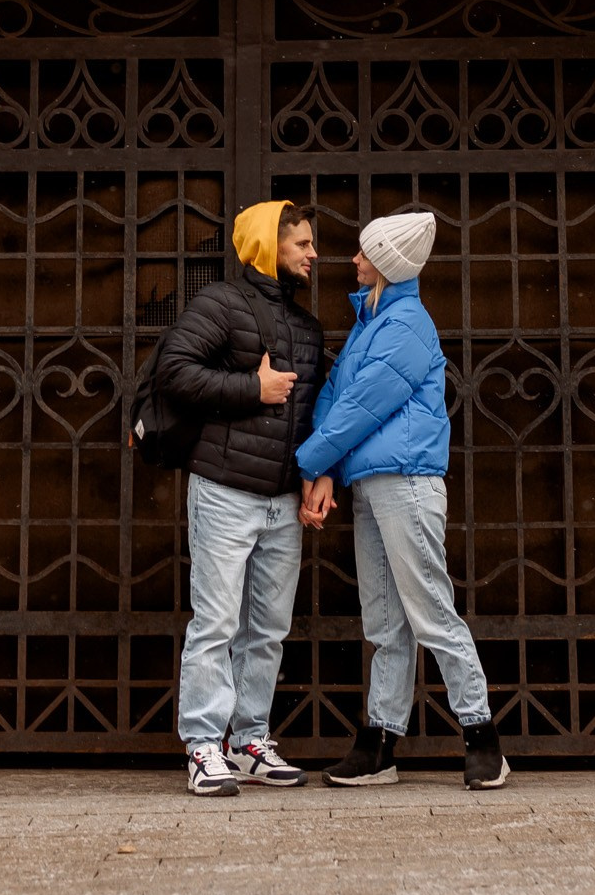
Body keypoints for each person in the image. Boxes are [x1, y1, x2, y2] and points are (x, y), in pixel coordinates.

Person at [296, 209, 507, 791]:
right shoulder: (371, 321)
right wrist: (327, 476)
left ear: (385, 264)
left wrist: (311, 466)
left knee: (431, 612)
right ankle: (380, 744)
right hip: (372, 485)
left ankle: (481, 734)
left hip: (408, 484)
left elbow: (361, 408)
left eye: (364, 254)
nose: (353, 260)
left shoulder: (406, 326)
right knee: (385, 622)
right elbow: (336, 401)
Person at [156, 200, 329, 796]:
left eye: (311, 244)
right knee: (216, 623)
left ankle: (250, 739)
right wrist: (251, 388)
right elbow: (173, 371)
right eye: (302, 243)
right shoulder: (220, 304)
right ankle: (204, 746)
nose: (313, 254)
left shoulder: (307, 327)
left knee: (268, 629)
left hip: (282, 502)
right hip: (224, 491)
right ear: (266, 243)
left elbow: (308, 414)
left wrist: (316, 474)